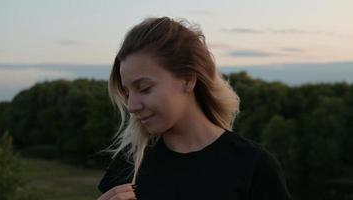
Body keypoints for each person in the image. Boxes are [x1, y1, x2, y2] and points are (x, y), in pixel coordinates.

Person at [97, 16, 293, 200]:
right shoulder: (130, 162)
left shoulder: (253, 165)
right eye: (127, 92)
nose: (131, 106)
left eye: (144, 88)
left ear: (188, 79)